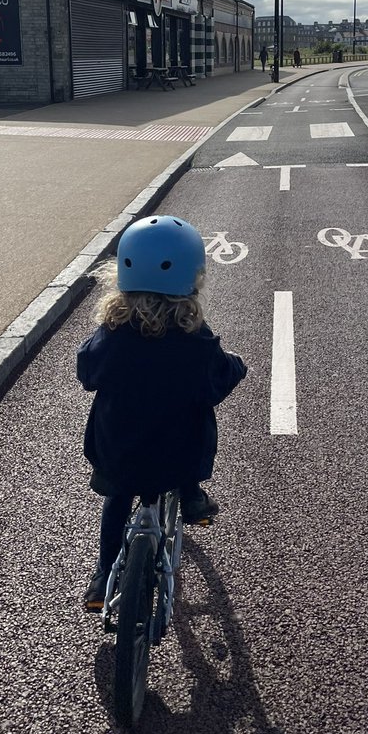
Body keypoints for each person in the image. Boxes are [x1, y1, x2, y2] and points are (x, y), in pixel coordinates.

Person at [77, 215, 248, 611]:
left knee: (117, 498)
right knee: (189, 425)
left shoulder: (112, 333)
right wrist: (236, 365)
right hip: (179, 455)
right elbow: (215, 385)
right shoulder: (196, 339)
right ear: (192, 279)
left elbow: (87, 373)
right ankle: (190, 495)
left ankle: (103, 576)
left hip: (118, 452)